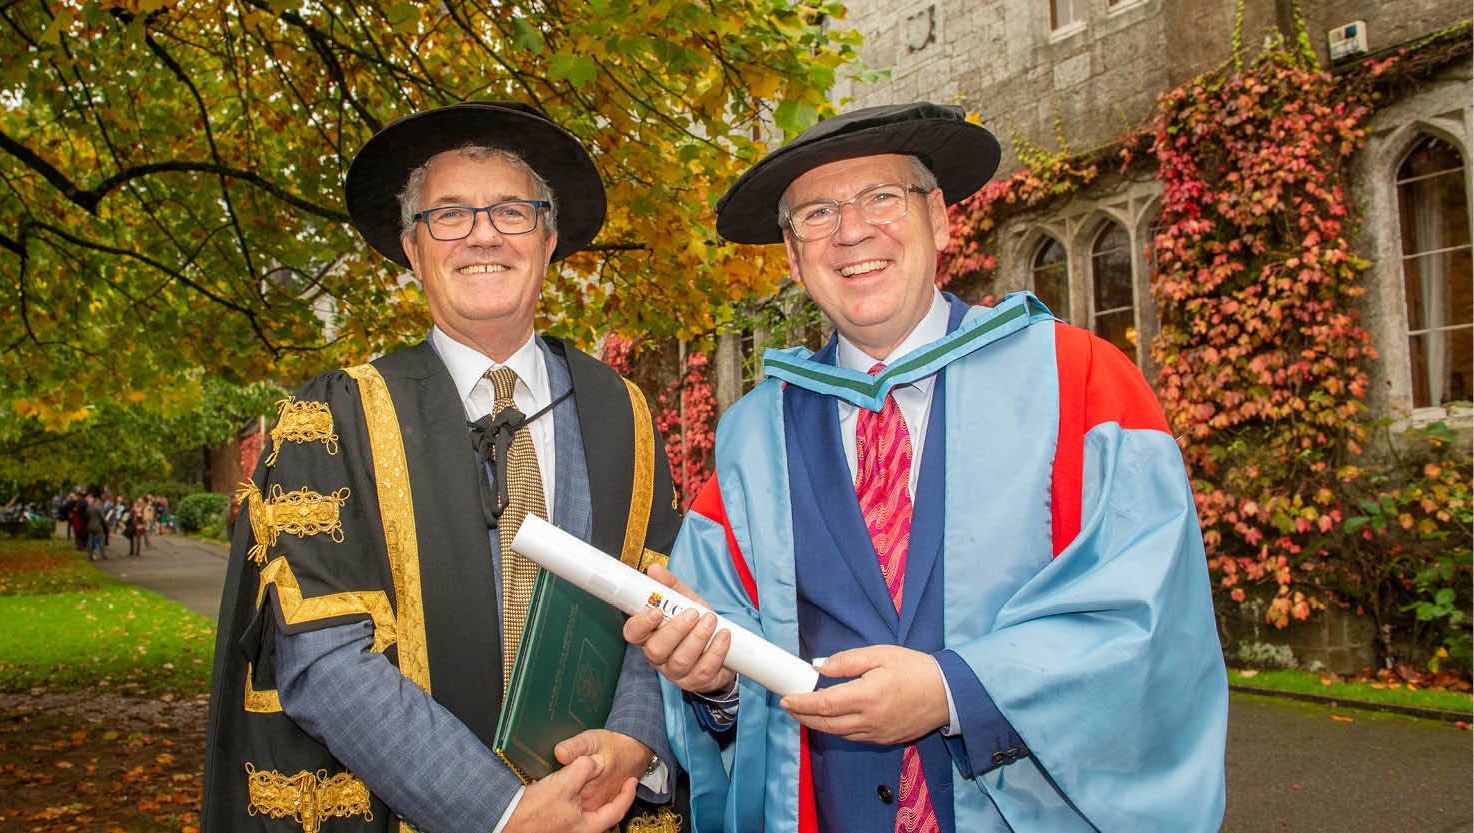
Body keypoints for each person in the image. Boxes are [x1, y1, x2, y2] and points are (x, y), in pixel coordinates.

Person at [623, 103, 1228, 833]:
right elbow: (732, 669)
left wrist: (955, 690)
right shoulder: (753, 433)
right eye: (816, 214)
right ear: (791, 256)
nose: (850, 231)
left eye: (881, 197)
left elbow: (1149, 617)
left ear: (940, 219)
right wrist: (714, 681)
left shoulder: (1080, 379)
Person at [202, 102, 683, 833]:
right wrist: (500, 811)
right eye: (449, 215)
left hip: (601, 808)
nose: (483, 233)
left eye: (511, 212)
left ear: (548, 239)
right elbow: (323, 660)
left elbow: (663, 608)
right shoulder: (333, 420)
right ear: (411, 247)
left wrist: (628, 744)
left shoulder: (624, 412)